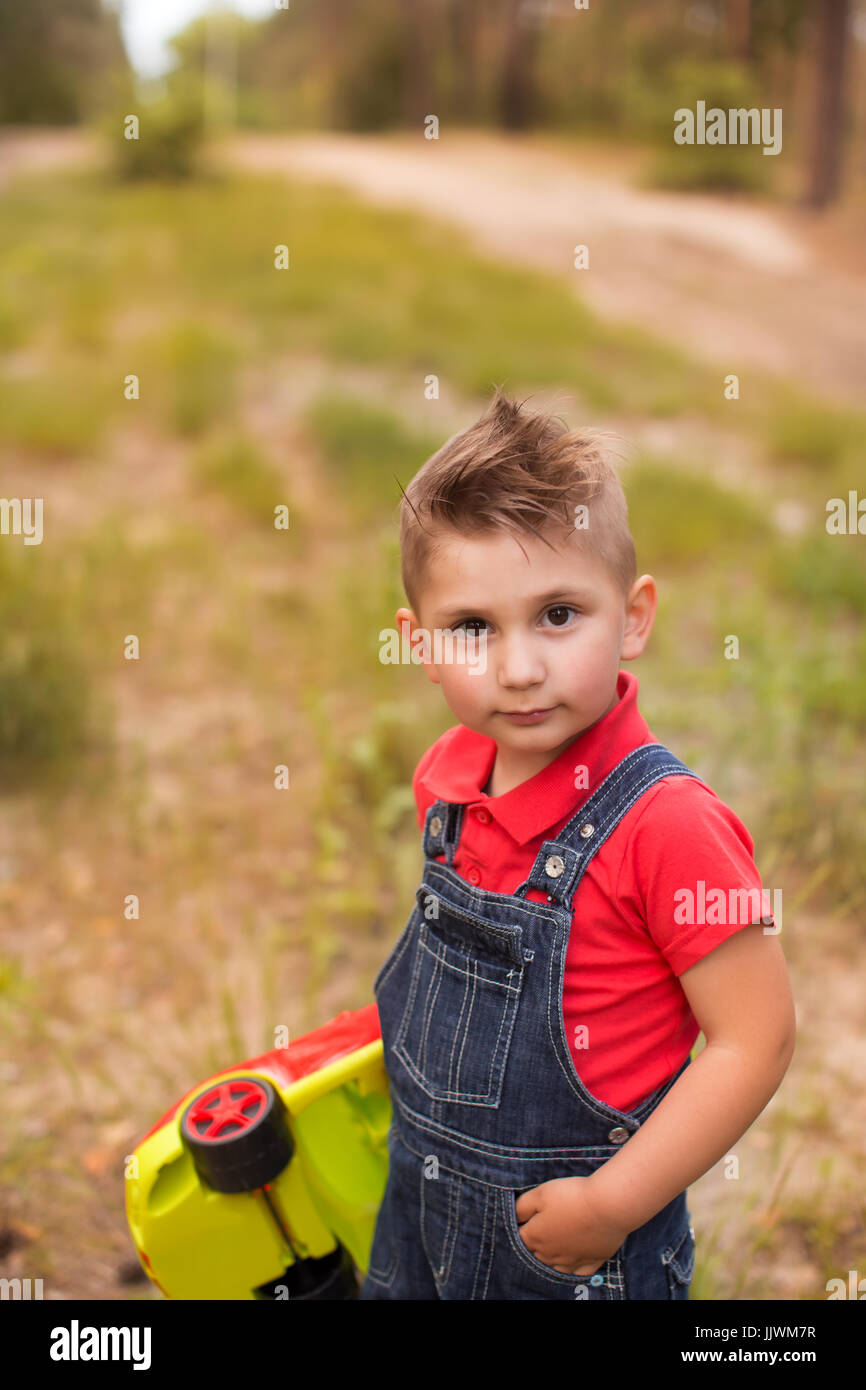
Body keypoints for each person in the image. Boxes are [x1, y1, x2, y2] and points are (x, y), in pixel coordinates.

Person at [360, 388, 795, 1301]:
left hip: (569, 1251)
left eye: (559, 614)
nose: (519, 668)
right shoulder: (449, 782)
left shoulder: (667, 825)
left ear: (632, 616)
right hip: (420, 1210)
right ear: (419, 646)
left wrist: (614, 1200)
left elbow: (754, 1039)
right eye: (473, 628)